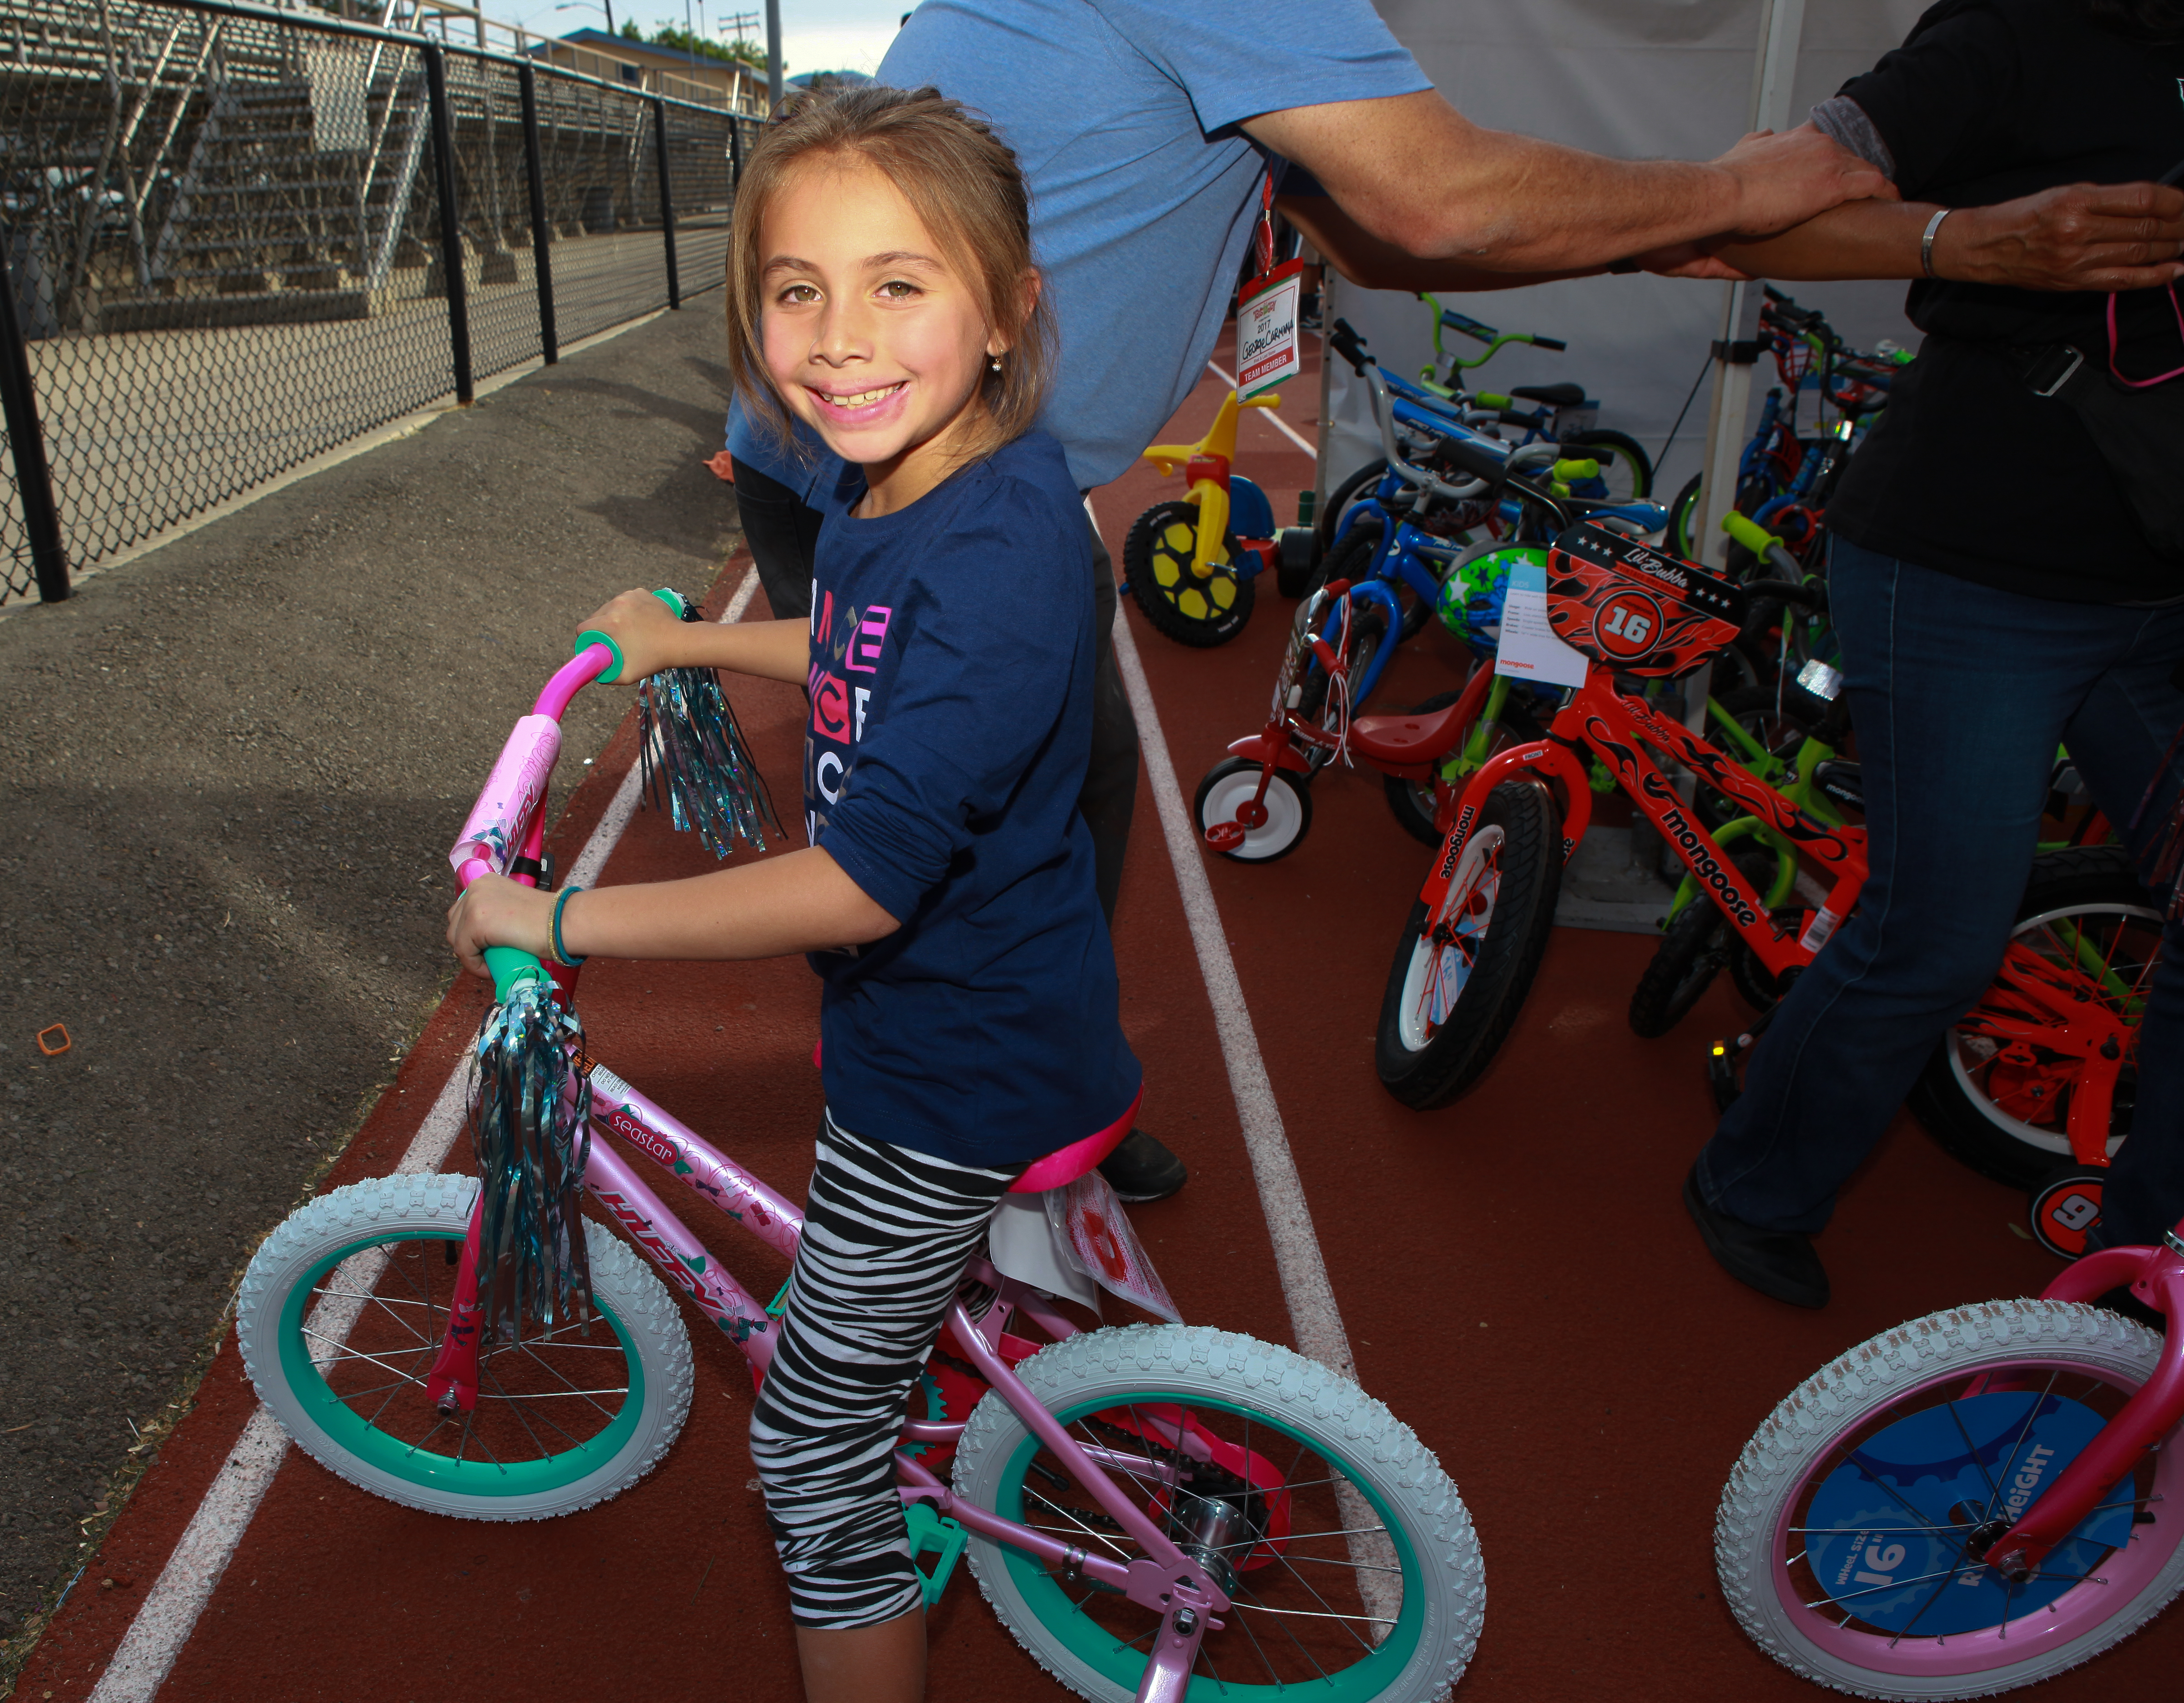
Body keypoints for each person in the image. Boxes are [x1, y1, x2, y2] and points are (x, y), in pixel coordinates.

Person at [728, 0, 1902, 1205]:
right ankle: (924, 1152)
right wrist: (1727, 193)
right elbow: (1436, 200)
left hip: (998, 479)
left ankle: (1029, 1106)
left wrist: (1665, 229)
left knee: (1069, 795)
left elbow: (1384, 239)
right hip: (877, 475)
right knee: (925, 847)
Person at [449, 86, 1137, 1703]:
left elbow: (853, 887)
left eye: (900, 284)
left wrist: (557, 920)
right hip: (963, 1022)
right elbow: (859, 651)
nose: (839, 337)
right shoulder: (899, 486)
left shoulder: (995, 552)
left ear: (1009, 312)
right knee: (911, 1327)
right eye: (795, 288)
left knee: (815, 1451)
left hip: (953, 1072)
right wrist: (689, 639)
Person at [1668, 0, 2184, 1306]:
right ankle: (1755, 1179)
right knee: (1939, 936)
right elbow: (1758, 216)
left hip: (2162, 586)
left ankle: (2140, 1268)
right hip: (1966, 574)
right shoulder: (2027, 30)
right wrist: (1982, 245)